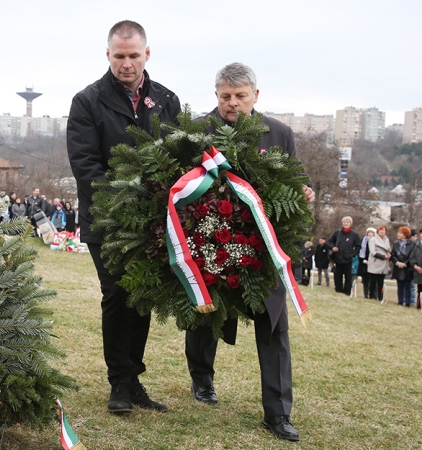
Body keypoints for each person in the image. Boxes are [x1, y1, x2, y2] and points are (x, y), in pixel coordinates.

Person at [185, 62, 315, 442]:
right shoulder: (198, 133)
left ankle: (277, 413)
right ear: (216, 96)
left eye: (241, 96)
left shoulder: (280, 133)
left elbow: (297, 181)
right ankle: (202, 379)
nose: (233, 104)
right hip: (213, 244)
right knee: (206, 316)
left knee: (274, 326)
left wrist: (305, 192)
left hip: (263, 247)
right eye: (226, 96)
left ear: (255, 96)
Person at [67, 20, 181, 414]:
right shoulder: (87, 101)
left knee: (143, 296)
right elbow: (86, 165)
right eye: (120, 56)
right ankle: (118, 382)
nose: (127, 63)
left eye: (134, 55)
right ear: (108, 55)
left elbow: (174, 160)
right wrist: (126, 202)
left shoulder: (167, 101)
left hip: (153, 224)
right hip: (108, 224)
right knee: (117, 295)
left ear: (146, 54)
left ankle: (134, 380)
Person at [329, 216, 361, 296]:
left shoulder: (354, 234)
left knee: (348, 277)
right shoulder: (337, 232)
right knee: (337, 276)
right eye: (344, 222)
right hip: (338, 258)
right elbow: (331, 241)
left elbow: (358, 246)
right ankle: (338, 291)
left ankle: (347, 292)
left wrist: (352, 254)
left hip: (348, 259)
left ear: (350, 224)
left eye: (347, 222)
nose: (346, 224)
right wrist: (333, 248)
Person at [391, 226, 414, 307]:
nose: (398, 234)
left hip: (407, 268)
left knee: (407, 286)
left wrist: (405, 264)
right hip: (398, 267)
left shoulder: (412, 244)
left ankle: (407, 302)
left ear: (405, 235)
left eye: (400, 233)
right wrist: (397, 262)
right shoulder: (396, 243)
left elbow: (412, 255)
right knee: (399, 285)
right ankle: (400, 301)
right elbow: (393, 254)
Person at [367, 225, 392, 301]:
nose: (382, 231)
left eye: (384, 230)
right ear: (377, 231)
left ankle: (380, 298)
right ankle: (371, 296)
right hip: (375, 263)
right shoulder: (373, 240)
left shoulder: (387, 240)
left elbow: (389, 249)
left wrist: (389, 254)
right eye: (380, 230)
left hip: (384, 264)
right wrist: (383, 257)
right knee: (373, 282)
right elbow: (372, 252)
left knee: (381, 282)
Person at [358, 227, 376, 298]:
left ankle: (372, 294)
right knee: (365, 280)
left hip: (373, 263)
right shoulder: (363, 241)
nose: (370, 234)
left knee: (372, 281)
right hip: (364, 263)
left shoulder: (375, 241)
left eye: (371, 232)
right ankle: (365, 293)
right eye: (369, 232)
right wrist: (364, 260)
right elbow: (360, 251)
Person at [409, 228, 422, 309]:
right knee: (420, 289)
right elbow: (412, 257)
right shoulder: (417, 245)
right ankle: (419, 305)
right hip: (419, 271)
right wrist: (415, 266)